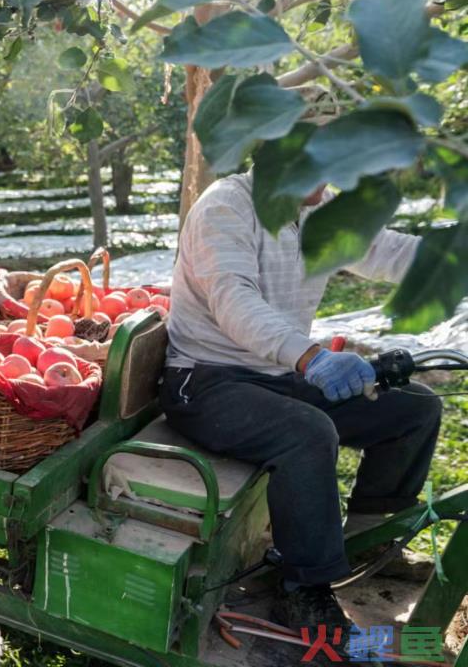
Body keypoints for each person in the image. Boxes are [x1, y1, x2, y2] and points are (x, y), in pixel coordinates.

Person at [159, 171, 442, 631]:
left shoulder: (319, 207)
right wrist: (310, 358)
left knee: (414, 408)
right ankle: (301, 588)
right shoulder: (226, 207)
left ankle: (368, 537)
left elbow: (383, 249)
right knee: (307, 433)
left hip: (281, 369)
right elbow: (234, 300)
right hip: (205, 379)